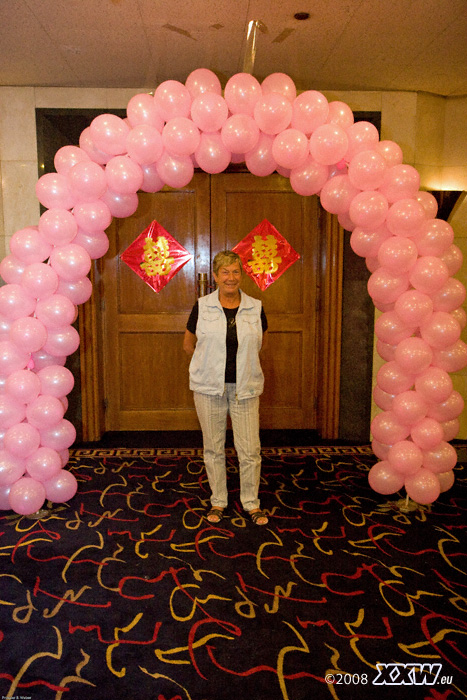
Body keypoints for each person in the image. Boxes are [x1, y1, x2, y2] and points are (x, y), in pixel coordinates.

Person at [183, 250, 269, 526]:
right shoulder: (202, 306)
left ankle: (251, 503)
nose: (231, 277)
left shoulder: (255, 307)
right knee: (213, 448)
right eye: (225, 272)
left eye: (235, 272)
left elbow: (260, 344)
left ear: (241, 275)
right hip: (209, 389)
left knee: (250, 450)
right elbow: (189, 345)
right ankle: (218, 500)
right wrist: (209, 366)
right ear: (216, 277)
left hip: (245, 388)